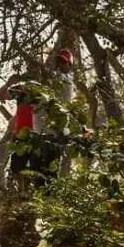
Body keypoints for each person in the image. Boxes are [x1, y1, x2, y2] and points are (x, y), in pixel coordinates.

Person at [28, 49, 75, 184]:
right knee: (37, 171)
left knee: (49, 171)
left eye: (64, 63)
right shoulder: (48, 86)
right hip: (40, 131)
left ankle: (49, 201)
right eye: (58, 62)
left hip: (54, 132)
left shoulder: (66, 80)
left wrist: (38, 64)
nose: (60, 65)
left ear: (70, 66)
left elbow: (51, 75)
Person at [0, 73, 35, 192]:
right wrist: (9, 83)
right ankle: (22, 191)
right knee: (16, 168)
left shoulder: (42, 93)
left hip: (37, 135)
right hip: (20, 135)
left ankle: (29, 193)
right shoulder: (20, 92)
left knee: (35, 168)